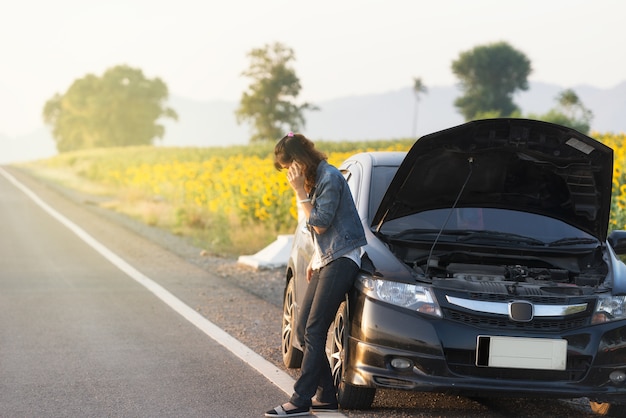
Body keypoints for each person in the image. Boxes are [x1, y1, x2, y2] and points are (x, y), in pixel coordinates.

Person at [265, 132, 366, 417]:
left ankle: (300, 400)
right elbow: (320, 231)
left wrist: (299, 191)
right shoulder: (316, 178)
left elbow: (320, 223)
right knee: (302, 329)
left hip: (343, 259)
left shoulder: (329, 178)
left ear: (300, 161)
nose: (288, 175)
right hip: (327, 259)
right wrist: (315, 259)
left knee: (315, 328)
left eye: (289, 168)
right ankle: (326, 396)